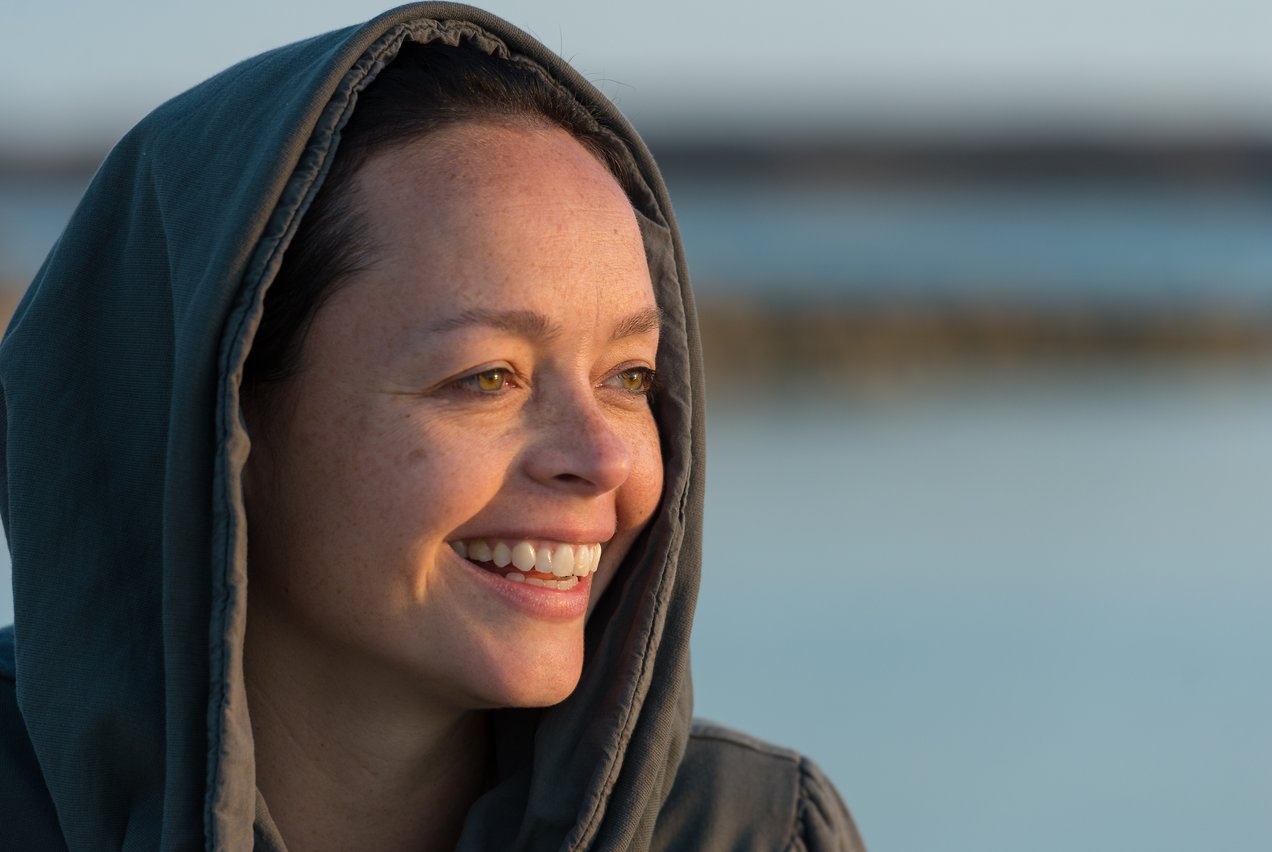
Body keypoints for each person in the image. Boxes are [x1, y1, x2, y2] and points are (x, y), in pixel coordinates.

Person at [0, 5, 865, 850]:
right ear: (221, 420)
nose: (602, 457)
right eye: (487, 377)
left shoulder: (753, 834)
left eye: (629, 377)